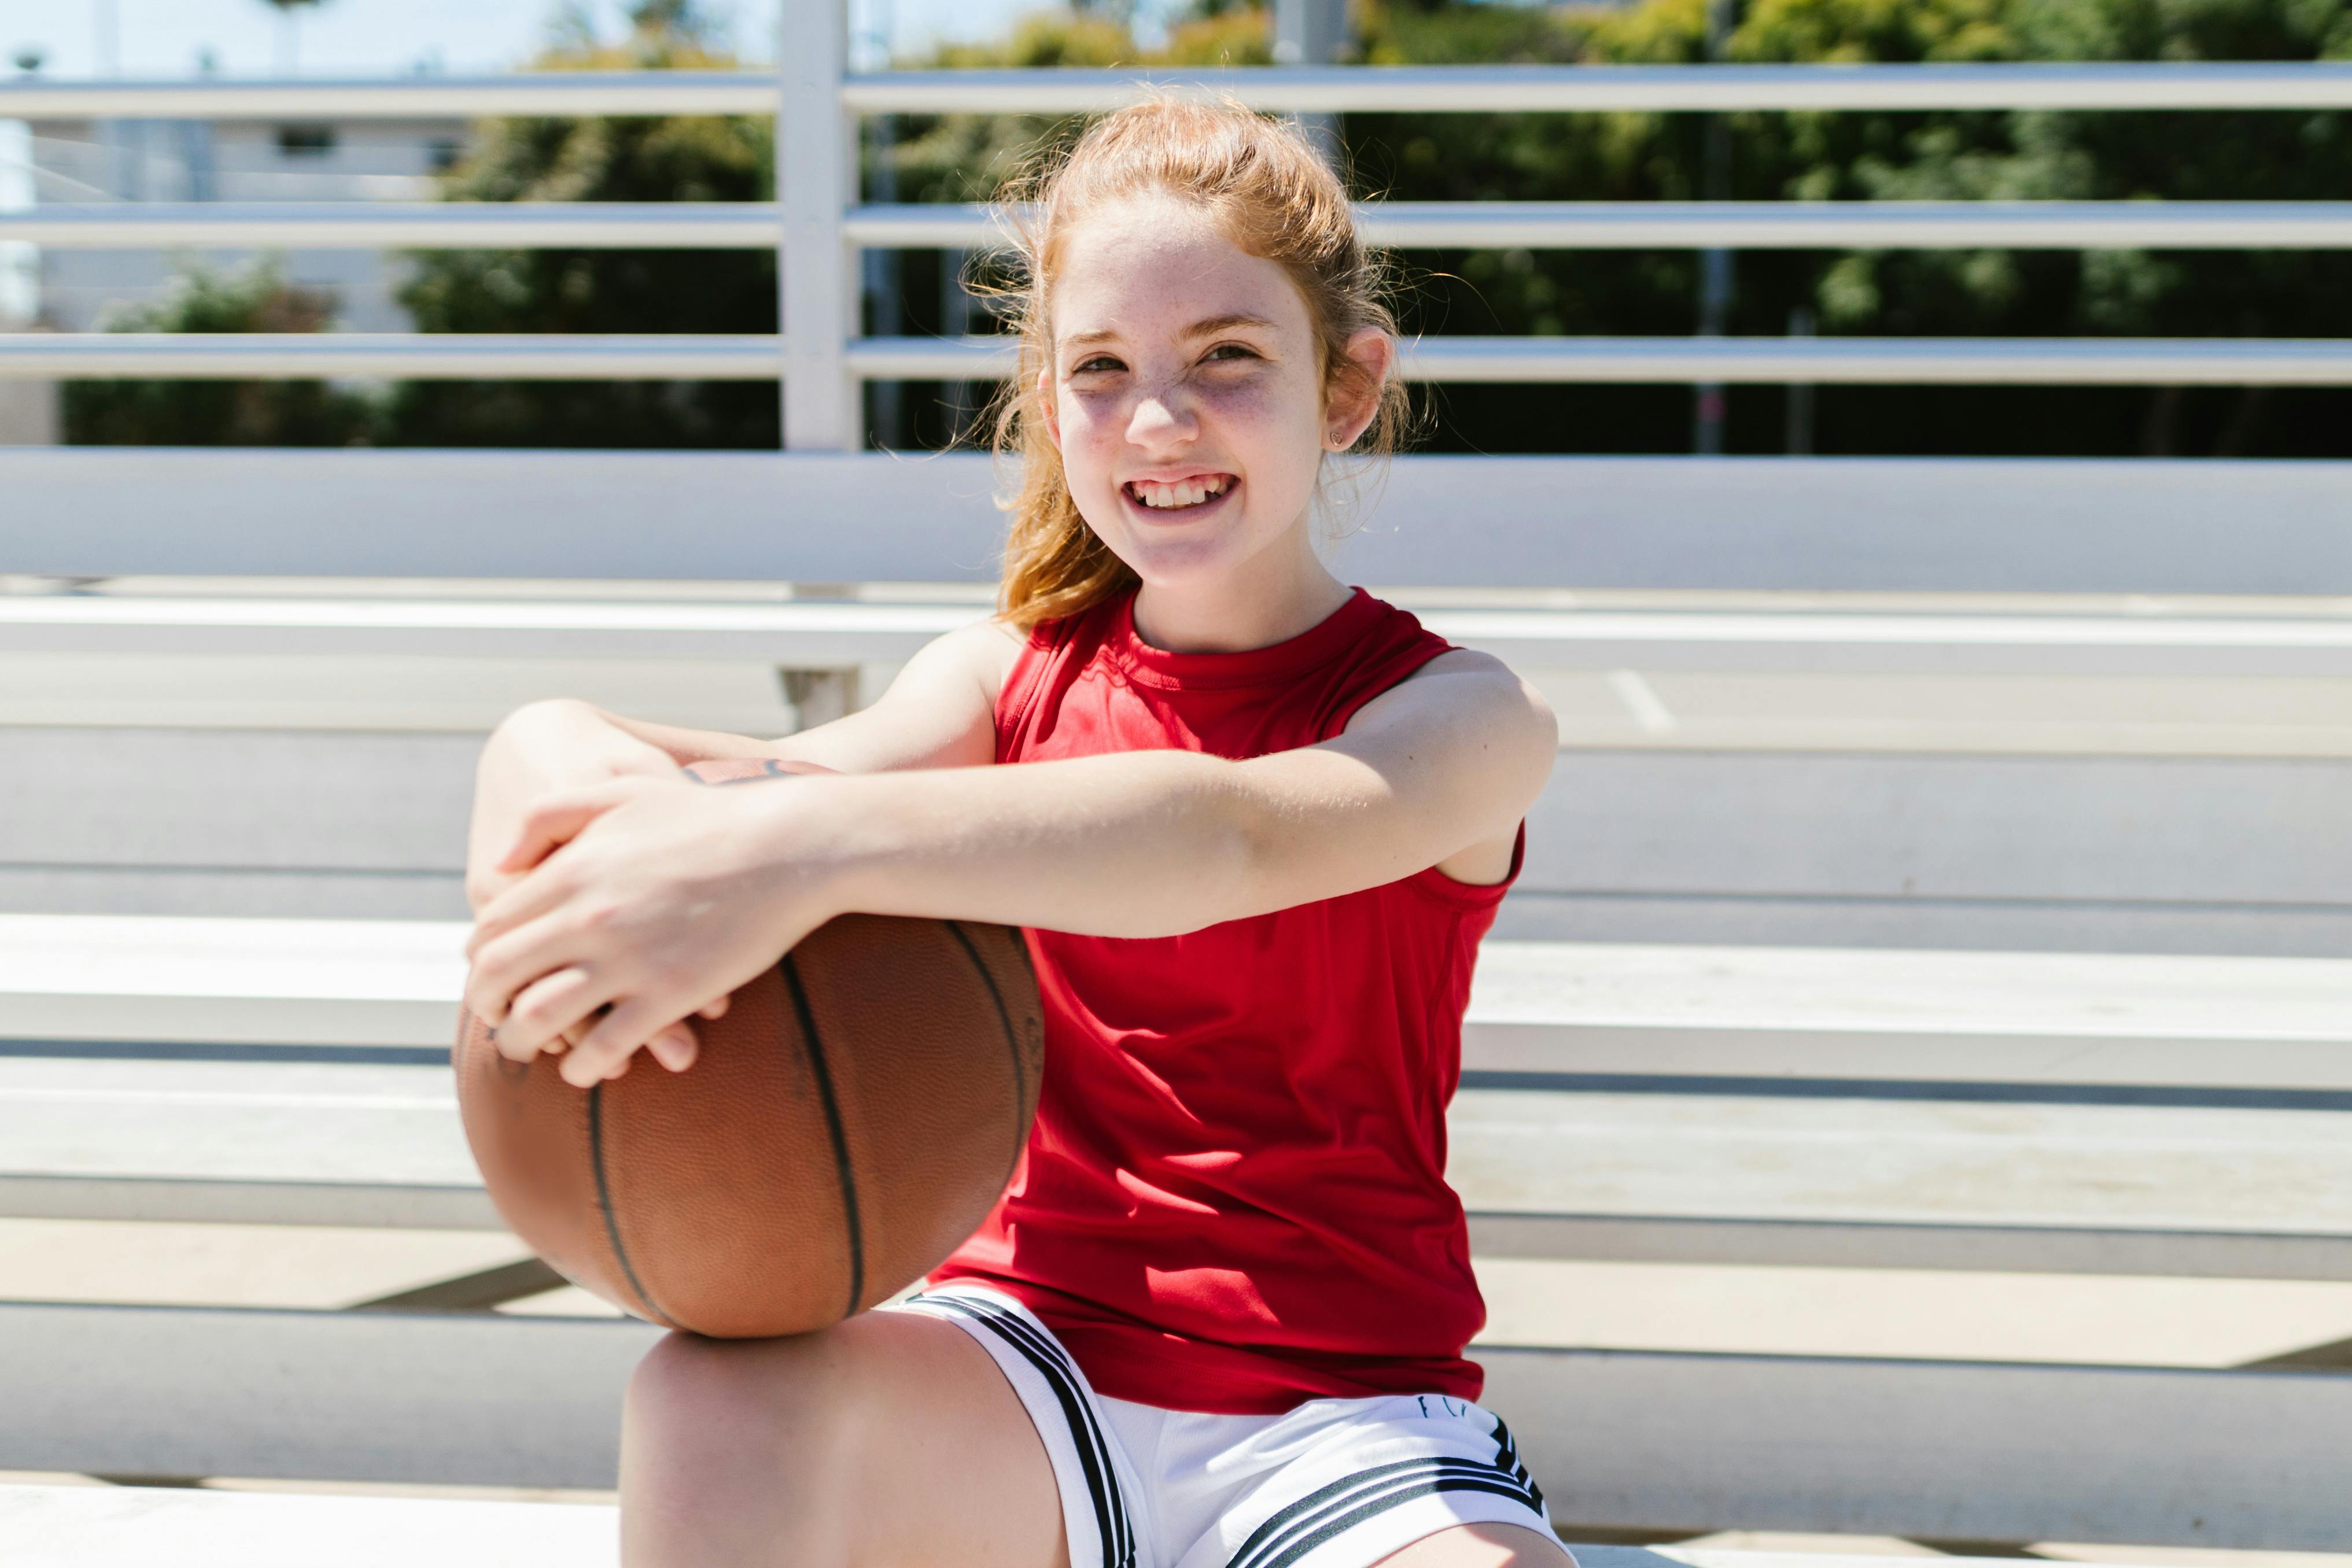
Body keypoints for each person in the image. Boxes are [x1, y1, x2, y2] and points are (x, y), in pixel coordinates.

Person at [460, 96, 1563, 1568]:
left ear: (1346, 387)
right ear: (1051, 410)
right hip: (1012, 1371)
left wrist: (803, 848)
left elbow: (1223, 836)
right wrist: (538, 745)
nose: (1158, 420)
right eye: (1101, 371)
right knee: (710, 1400)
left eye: (1227, 358)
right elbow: (742, 780)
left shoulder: (1460, 719)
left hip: (1337, 1414)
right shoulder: (999, 679)